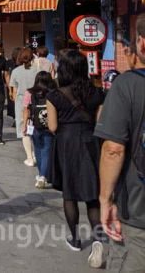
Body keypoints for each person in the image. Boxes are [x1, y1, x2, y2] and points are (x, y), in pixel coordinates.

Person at [96, 13, 145, 272]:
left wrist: (105, 199)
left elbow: (113, 149)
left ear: (141, 44)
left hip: (138, 213)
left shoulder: (127, 85)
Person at [47, 49, 105, 258]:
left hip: (67, 143)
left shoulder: (55, 95)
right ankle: (99, 239)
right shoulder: (96, 92)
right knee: (92, 195)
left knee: (69, 194)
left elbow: (52, 126)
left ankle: (75, 239)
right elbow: (100, 122)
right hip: (91, 142)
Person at [22, 71, 57, 189]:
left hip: (34, 125)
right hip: (49, 126)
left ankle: (41, 174)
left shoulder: (29, 92)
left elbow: (26, 110)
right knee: (46, 150)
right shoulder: (53, 93)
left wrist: (25, 125)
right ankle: (43, 176)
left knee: (37, 149)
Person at [10, 47, 39, 167]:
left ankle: (29, 157)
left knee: (24, 129)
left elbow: (14, 91)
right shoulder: (37, 70)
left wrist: (15, 100)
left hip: (21, 101)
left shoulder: (16, 71)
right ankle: (37, 155)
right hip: (36, 100)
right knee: (36, 127)